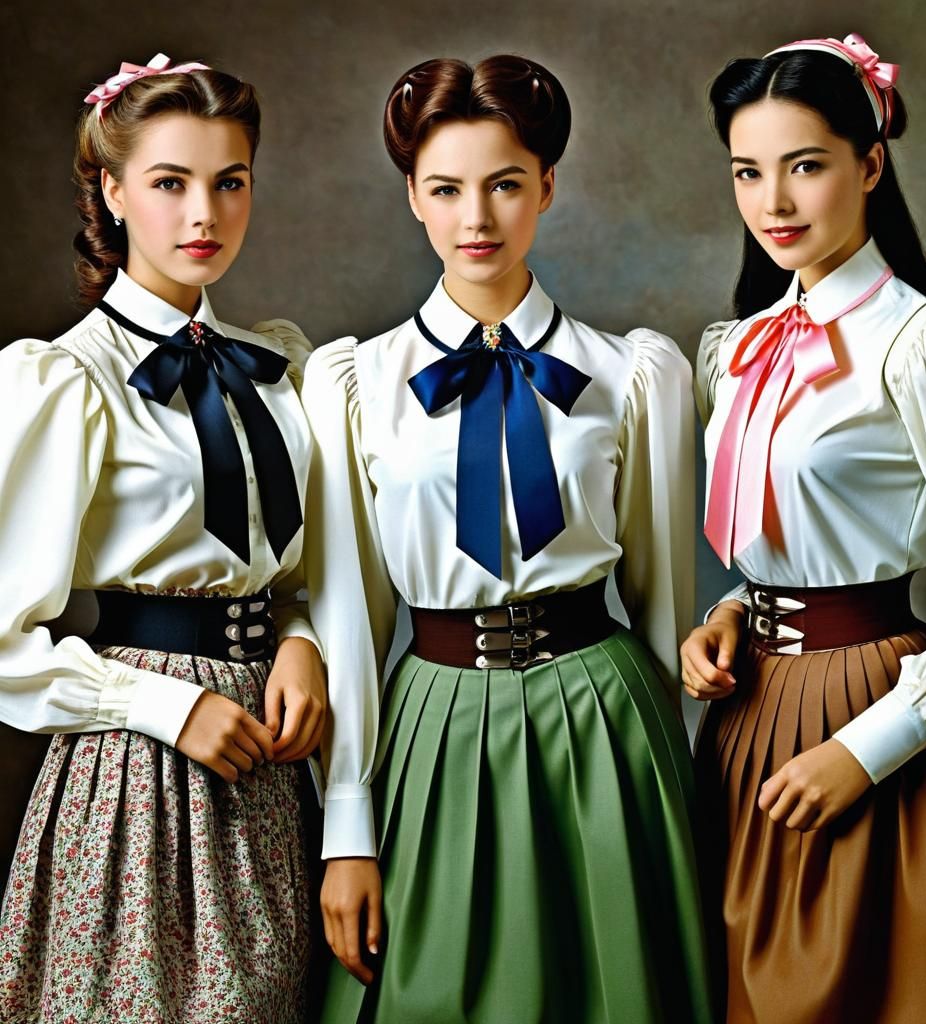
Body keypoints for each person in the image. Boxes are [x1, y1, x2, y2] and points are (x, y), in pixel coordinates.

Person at [303, 53, 714, 1024]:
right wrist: (348, 830)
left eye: (504, 185)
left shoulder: (631, 376)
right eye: (446, 189)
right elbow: (349, 621)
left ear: (548, 189)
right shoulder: (353, 384)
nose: (475, 218)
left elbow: (664, 608)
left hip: (604, 727)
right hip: (433, 724)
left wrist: (666, 793)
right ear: (412, 196)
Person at [682, 32, 926, 1023]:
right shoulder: (736, 348)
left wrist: (867, 748)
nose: (773, 204)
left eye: (804, 167)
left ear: (869, 164)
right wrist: (734, 612)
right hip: (746, 723)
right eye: (748, 172)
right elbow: (793, 537)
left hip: (877, 718)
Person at [0, 53, 326, 1023]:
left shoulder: (281, 366)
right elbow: (3, 638)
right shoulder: (68, 379)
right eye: (170, 183)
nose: (205, 216)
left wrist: (301, 638)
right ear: (111, 189)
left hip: (271, 756)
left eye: (230, 183)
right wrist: (159, 706)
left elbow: (304, 565)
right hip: (137, 764)